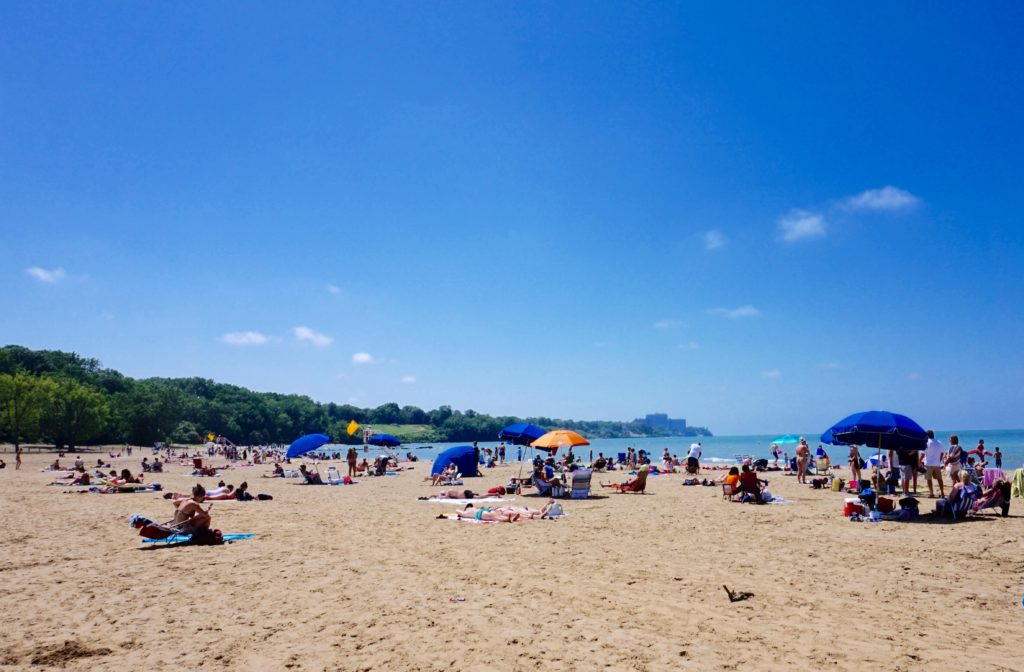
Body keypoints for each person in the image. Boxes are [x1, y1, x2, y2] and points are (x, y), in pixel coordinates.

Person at [923, 430, 945, 499]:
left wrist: (919, 461)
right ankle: (942, 492)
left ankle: (931, 493)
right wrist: (939, 460)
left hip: (928, 463)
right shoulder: (939, 442)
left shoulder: (926, 443)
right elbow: (942, 453)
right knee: (939, 478)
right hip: (937, 463)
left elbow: (923, 453)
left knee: (929, 479)